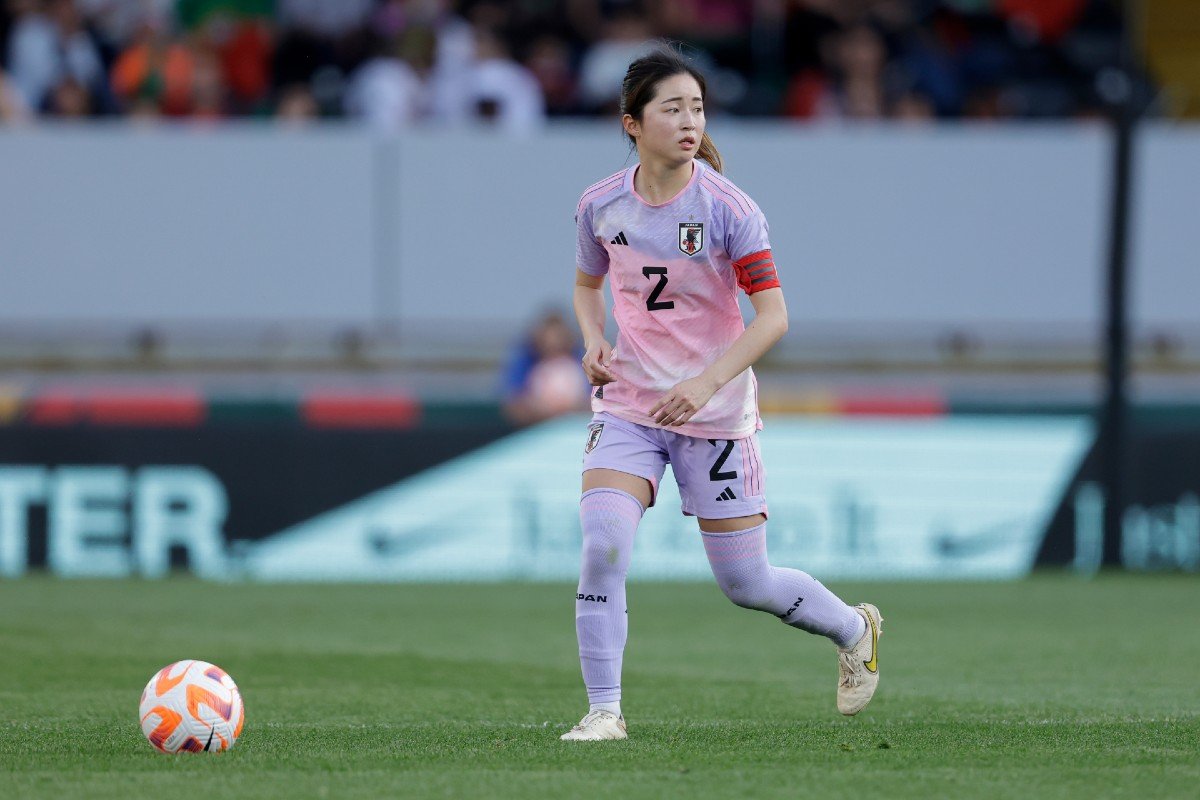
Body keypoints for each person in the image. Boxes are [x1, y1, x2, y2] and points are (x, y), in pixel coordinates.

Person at [562, 45, 883, 742]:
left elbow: (774, 316)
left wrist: (706, 381)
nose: (688, 121)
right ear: (631, 124)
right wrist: (591, 340)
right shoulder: (599, 205)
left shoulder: (729, 209)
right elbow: (588, 286)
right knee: (603, 544)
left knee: (747, 584)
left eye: (697, 108)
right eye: (671, 108)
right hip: (629, 407)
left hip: (714, 413)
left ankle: (856, 628)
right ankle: (604, 711)